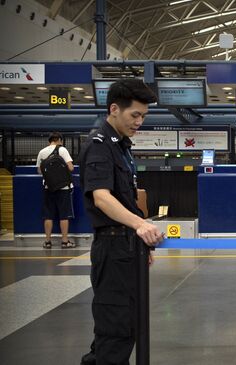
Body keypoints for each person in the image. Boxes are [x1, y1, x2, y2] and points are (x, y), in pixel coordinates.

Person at [78, 78, 164, 365]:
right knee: (114, 331)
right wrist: (140, 226)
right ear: (114, 109)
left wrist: (140, 239)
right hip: (112, 250)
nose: (139, 122)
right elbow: (101, 197)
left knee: (125, 327)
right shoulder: (99, 145)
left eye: (143, 116)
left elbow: (126, 200)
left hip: (127, 249)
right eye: (134, 115)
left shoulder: (121, 147)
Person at [36, 132, 76, 249]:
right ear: (59, 139)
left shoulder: (42, 152)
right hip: (63, 188)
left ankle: (47, 242)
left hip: (49, 187)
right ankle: (65, 241)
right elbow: (71, 168)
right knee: (64, 215)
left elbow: (39, 171)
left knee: (48, 215)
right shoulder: (62, 150)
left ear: (49, 140)